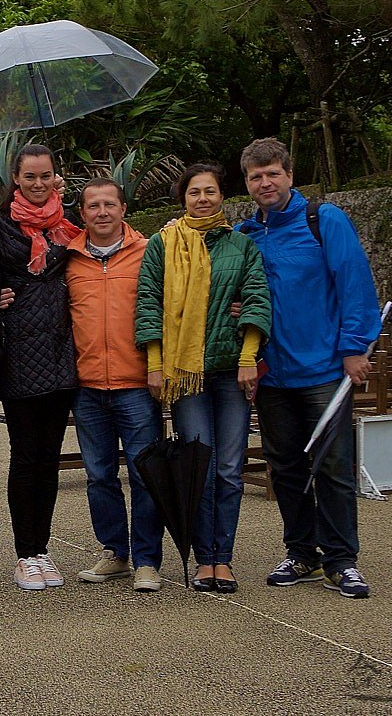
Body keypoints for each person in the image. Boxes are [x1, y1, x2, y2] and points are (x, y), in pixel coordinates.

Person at [235, 138, 381, 599]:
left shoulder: (323, 220)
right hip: (273, 373)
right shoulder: (245, 235)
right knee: (285, 467)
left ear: (289, 175)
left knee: (333, 466)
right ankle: (302, 553)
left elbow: (354, 283)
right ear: (247, 183)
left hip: (323, 370)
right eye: (256, 177)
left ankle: (341, 559)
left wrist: (354, 348)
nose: (265, 183)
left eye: (272, 174)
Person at [136, 162, 272, 593]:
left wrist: (248, 357)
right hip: (186, 376)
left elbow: (256, 297)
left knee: (230, 469)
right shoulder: (163, 244)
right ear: (183, 198)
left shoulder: (241, 245)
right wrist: (155, 364)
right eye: (194, 192)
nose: (202, 199)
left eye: (210, 191)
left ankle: (222, 558)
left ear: (222, 196)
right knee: (201, 467)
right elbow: (149, 303)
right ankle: (202, 559)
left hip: (231, 372)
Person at [65, 178, 165, 593]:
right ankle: (115, 553)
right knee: (99, 475)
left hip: (137, 382)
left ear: (124, 209)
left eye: (110, 204)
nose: (102, 212)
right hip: (87, 385)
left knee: (146, 475)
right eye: (93, 206)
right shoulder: (68, 258)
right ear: (82, 213)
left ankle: (147, 560)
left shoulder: (150, 252)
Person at [0, 142, 82, 590]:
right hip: (20, 354)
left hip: (62, 352)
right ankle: (25, 553)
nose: (39, 183)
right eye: (30, 176)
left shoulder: (71, 222)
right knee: (26, 456)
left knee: (49, 458)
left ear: (55, 176)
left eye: (46, 175)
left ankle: (42, 549)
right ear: (16, 179)